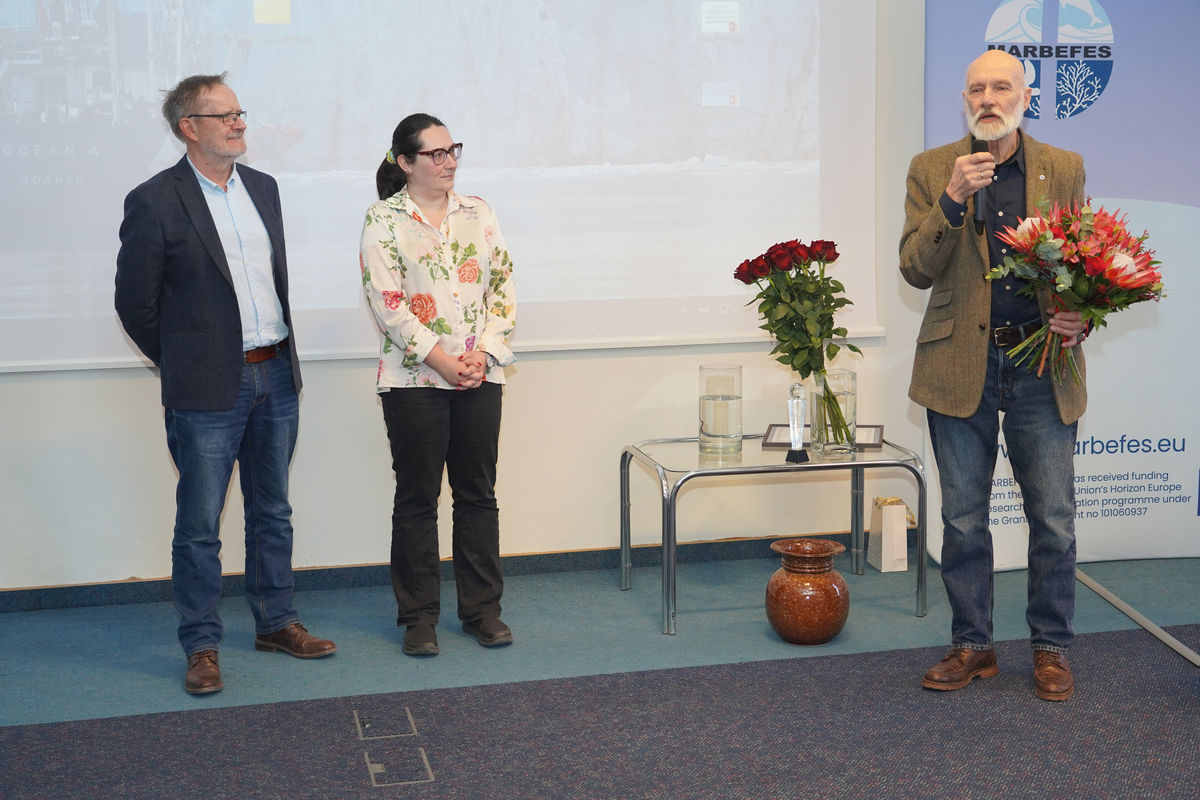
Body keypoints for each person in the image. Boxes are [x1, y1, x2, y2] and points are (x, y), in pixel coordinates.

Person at [115, 73, 335, 695]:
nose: (240, 123)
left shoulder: (263, 188)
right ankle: (202, 645)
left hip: (276, 372)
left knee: (273, 511)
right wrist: (187, 361)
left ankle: (276, 622)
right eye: (225, 115)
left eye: (240, 113)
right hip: (207, 386)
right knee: (199, 524)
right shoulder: (154, 200)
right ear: (189, 127)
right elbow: (135, 304)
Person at [898, 50, 1089, 701]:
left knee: (1053, 518)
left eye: (1001, 87)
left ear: (1024, 97)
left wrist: (1081, 314)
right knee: (962, 520)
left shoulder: (1064, 166)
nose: (988, 98)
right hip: (960, 364)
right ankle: (973, 646)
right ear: (964, 99)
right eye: (977, 88)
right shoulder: (933, 170)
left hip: (1041, 361)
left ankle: (1051, 648)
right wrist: (953, 200)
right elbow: (914, 268)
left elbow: (1083, 263)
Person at [359, 113, 516, 657]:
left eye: (453, 150)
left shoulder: (479, 212)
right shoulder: (383, 219)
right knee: (417, 500)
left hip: (479, 375)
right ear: (405, 162)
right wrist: (442, 360)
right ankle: (419, 618)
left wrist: (482, 354)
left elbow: (503, 287)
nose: (449, 161)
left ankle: (482, 611)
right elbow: (388, 304)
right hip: (414, 381)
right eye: (436, 153)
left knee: (478, 496)